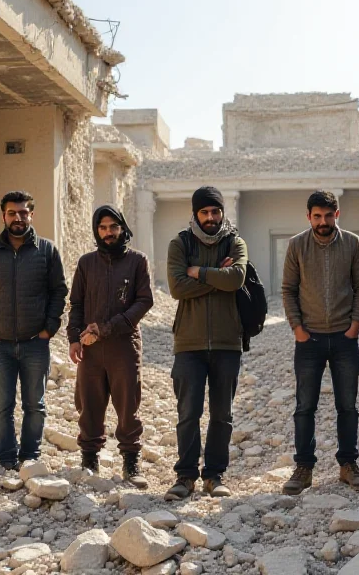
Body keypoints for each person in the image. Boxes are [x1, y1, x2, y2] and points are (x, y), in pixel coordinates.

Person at [0, 191, 67, 471]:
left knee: (35, 405)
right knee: (2, 406)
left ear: (31, 215)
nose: (18, 218)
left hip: (36, 343)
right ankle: (7, 458)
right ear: (4, 216)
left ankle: (30, 456)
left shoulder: (47, 251)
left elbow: (59, 291)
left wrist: (50, 328)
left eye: (23, 213)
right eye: (12, 213)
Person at [280, 190, 359, 495]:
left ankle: (348, 465)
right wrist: (298, 329)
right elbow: (288, 290)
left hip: (345, 338)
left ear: (337, 214)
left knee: (347, 405)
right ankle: (304, 468)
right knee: (305, 406)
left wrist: (355, 326)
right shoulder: (296, 245)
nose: (323, 222)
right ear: (308, 217)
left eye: (328, 216)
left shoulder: (353, 243)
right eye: (317, 216)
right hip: (309, 340)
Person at [165, 186, 248, 501]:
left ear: (222, 212)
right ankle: (185, 476)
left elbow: (236, 278)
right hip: (189, 343)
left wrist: (199, 272)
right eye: (205, 212)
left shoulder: (235, 242)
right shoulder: (180, 244)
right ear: (195, 214)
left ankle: (214, 475)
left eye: (215, 211)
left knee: (222, 414)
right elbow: (177, 287)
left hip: (228, 342)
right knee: (188, 412)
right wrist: (218, 277)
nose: (211, 218)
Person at [67, 205, 153, 488]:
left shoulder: (137, 261)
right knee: (89, 402)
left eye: (113, 227)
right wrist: (74, 338)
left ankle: (131, 462)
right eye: (102, 228)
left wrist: (109, 327)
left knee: (128, 403)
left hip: (123, 344)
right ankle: (89, 460)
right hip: (90, 347)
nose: (108, 233)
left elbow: (144, 301)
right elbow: (76, 304)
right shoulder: (86, 263)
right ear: (96, 230)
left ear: (122, 228)